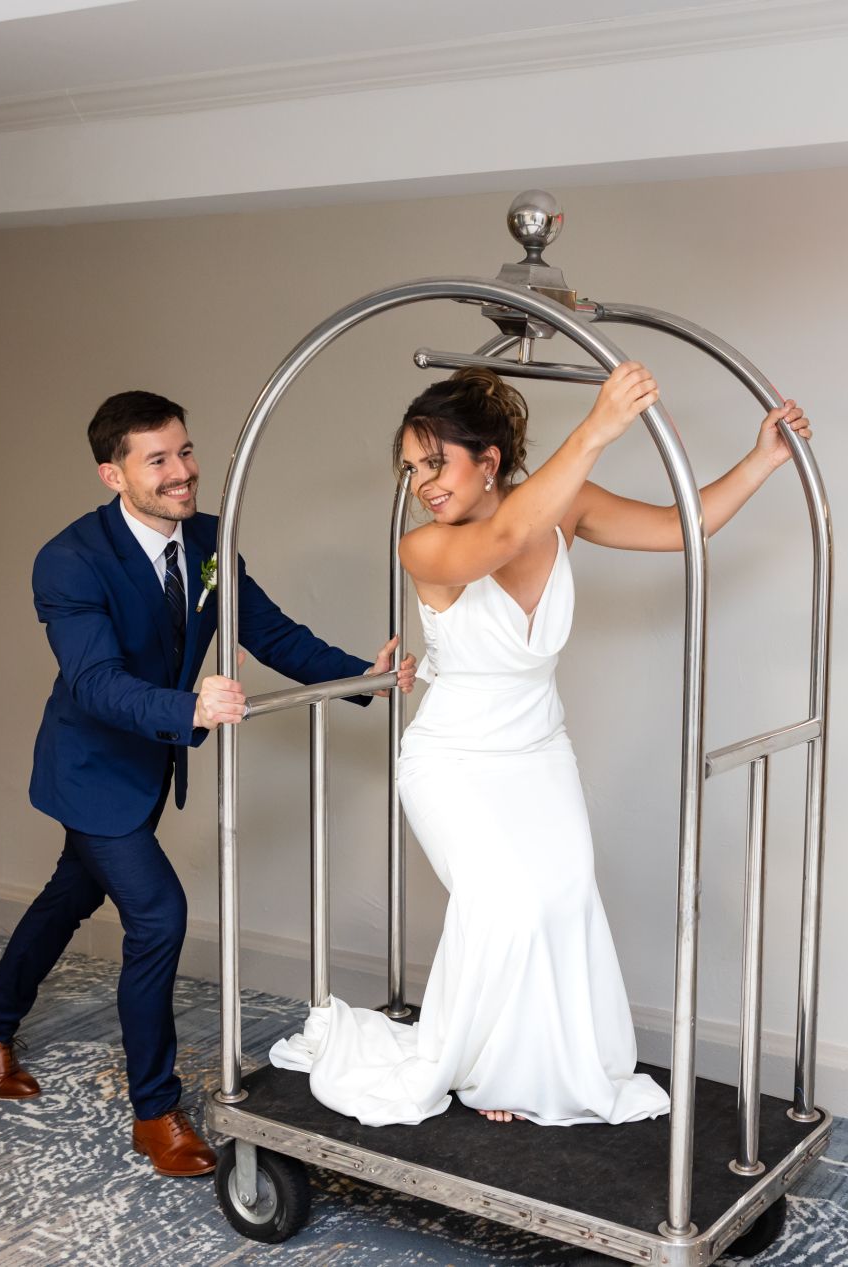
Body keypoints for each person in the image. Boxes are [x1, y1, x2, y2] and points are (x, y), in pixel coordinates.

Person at [270, 364, 812, 1126]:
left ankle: (530, 1062)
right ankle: (486, 1063)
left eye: (435, 463)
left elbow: (679, 526)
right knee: (504, 903)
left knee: (560, 899)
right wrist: (595, 428)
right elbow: (504, 536)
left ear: (486, 459)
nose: (422, 483)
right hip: (453, 759)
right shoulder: (424, 548)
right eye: (410, 468)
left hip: (538, 750)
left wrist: (763, 458)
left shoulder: (567, 508)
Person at [0, 390, 416, 1176]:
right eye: (157, 459)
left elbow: (266, 631)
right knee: (159, 915)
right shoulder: (68, 560)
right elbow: (94, 681)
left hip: (147, 763)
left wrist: (359, 678)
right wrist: (189, 703)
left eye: (186, 452)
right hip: (91, 768)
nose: (182, 472)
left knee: (71, 891)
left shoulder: (207, 540)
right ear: (112, 473)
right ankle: (156, 1112)